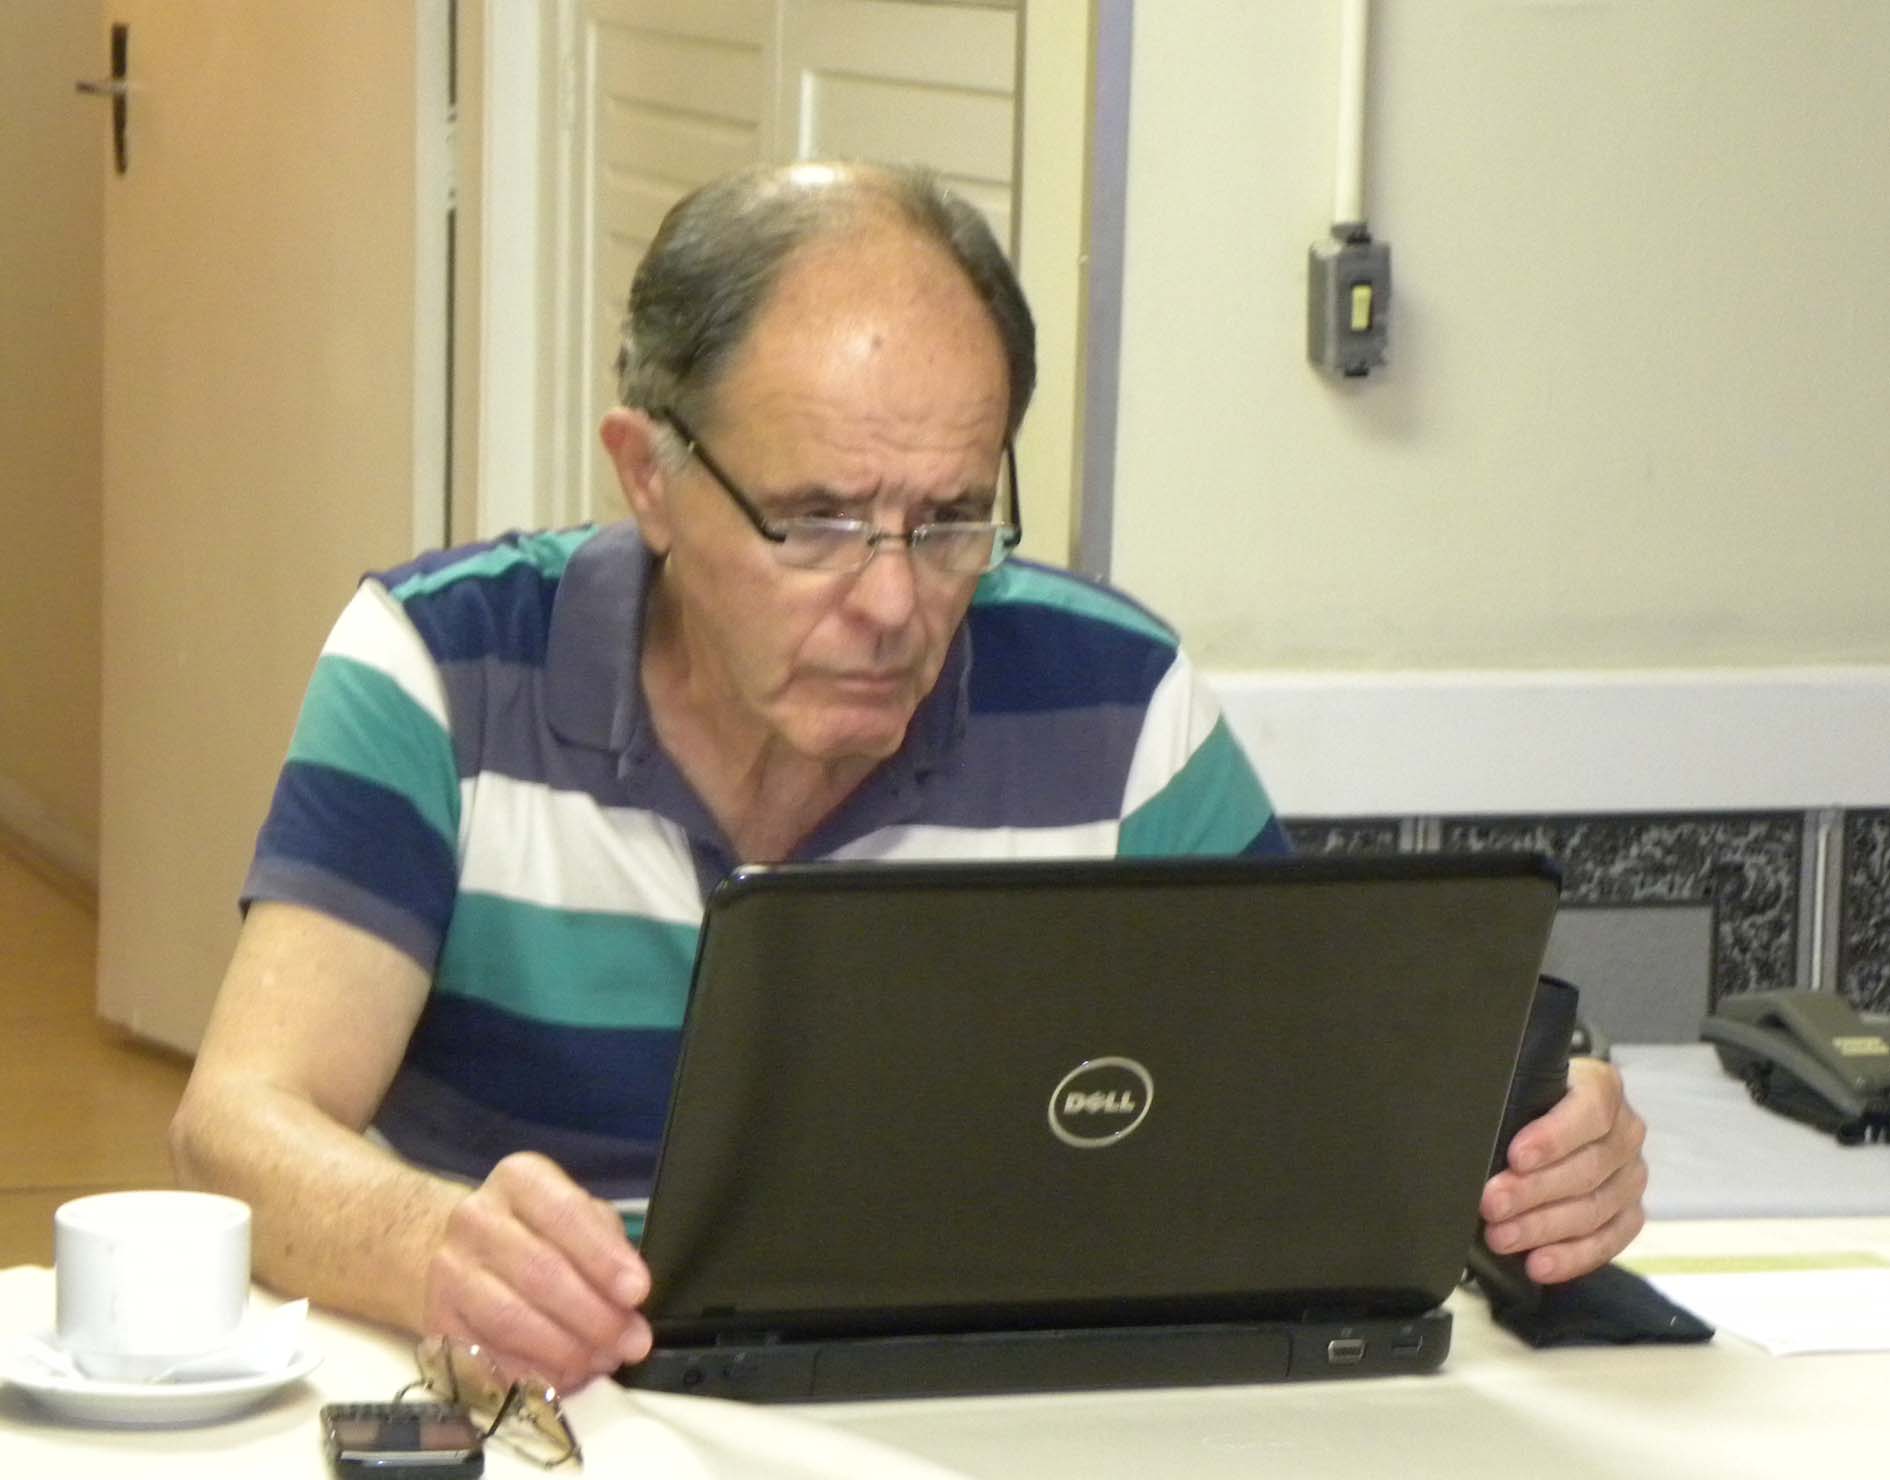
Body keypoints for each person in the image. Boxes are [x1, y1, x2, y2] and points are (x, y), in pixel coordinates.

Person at [170, 161, 1647, 1393]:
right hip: (567, 1411)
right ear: (649, 475)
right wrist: (430, 1244)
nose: (893, 604)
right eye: (815, 522)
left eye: (950, 520)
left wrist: (1528, 1150)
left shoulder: (1116, 701)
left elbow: (1322, 1117)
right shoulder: (441, 666)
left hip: (992, 1413)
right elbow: (239, 1121)